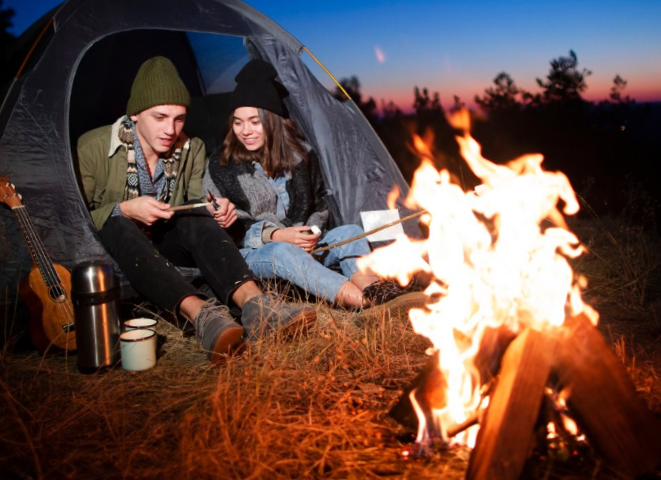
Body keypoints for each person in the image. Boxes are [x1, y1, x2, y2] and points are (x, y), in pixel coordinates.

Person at [77, 56, 316, 364]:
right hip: (115, 252)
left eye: (179, 118)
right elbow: (75, 217)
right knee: (116, 220)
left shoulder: (191, 148)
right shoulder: (93, 147)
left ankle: (258, 307)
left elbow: (192, 204)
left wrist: (217, 210)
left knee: (194, 215)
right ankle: (202, 315)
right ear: (135, 114)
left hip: (167, 246)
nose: (170, 129)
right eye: (160, 117)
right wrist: (125, 208)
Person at [204, 58, 426, 312]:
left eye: (255, 121)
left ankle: (377, 290)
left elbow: (319, 204)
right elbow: (220, 231)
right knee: (284, 252)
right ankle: (365, 305)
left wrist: (311, 232)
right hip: (254, 253)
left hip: (302, 243)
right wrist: (275, 235)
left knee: (350, 232)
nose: (245, 131)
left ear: (272, 122)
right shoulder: (221, 165)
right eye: (238, 122)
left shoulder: (301, 157)